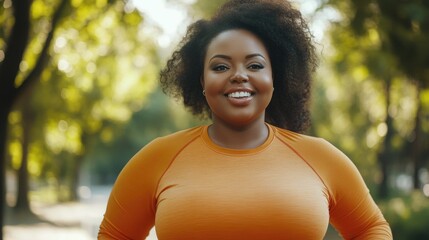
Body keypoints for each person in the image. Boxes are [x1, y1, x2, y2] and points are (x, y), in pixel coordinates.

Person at [98, 0, 393, 239]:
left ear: (274, 77)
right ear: (201, 80)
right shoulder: (158, 158)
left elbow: (371, 229)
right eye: (220, 66)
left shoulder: (321, 158)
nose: (239, 75)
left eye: (254, 64)